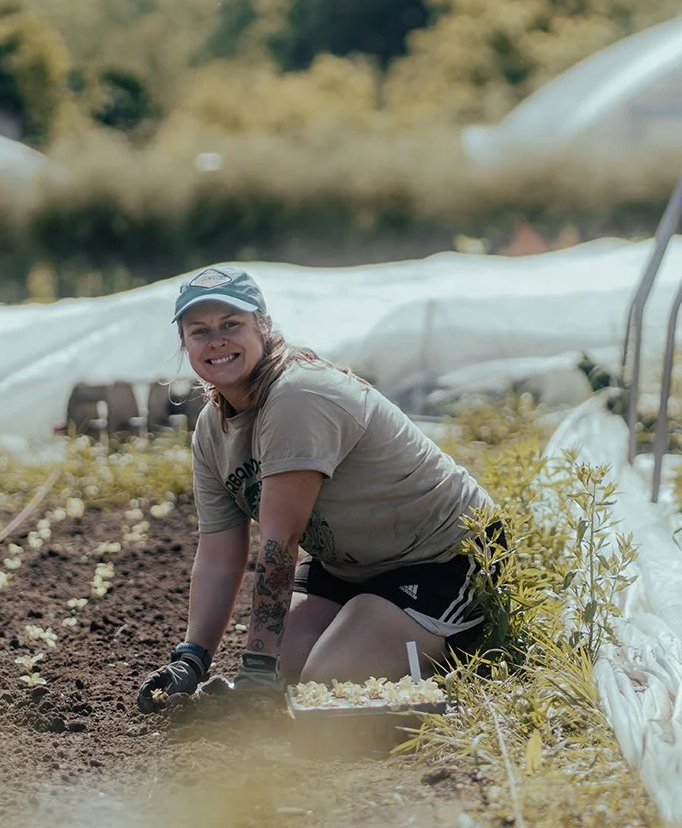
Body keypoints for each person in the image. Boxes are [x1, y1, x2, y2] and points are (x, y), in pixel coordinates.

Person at [136, 266, 495, 711]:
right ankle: (375, 625)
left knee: (327, 680)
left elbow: (281, 541)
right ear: (185, 344)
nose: (217, 341)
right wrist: (192, 659)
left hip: (441, 555)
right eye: (200, 331)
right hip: (348, 565)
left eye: (232, 325)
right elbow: (217, 554)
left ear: (263, 327)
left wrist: (256, 671)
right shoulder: (213, 429)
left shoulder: (297, 395)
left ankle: (455, 649)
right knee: (288, 672)